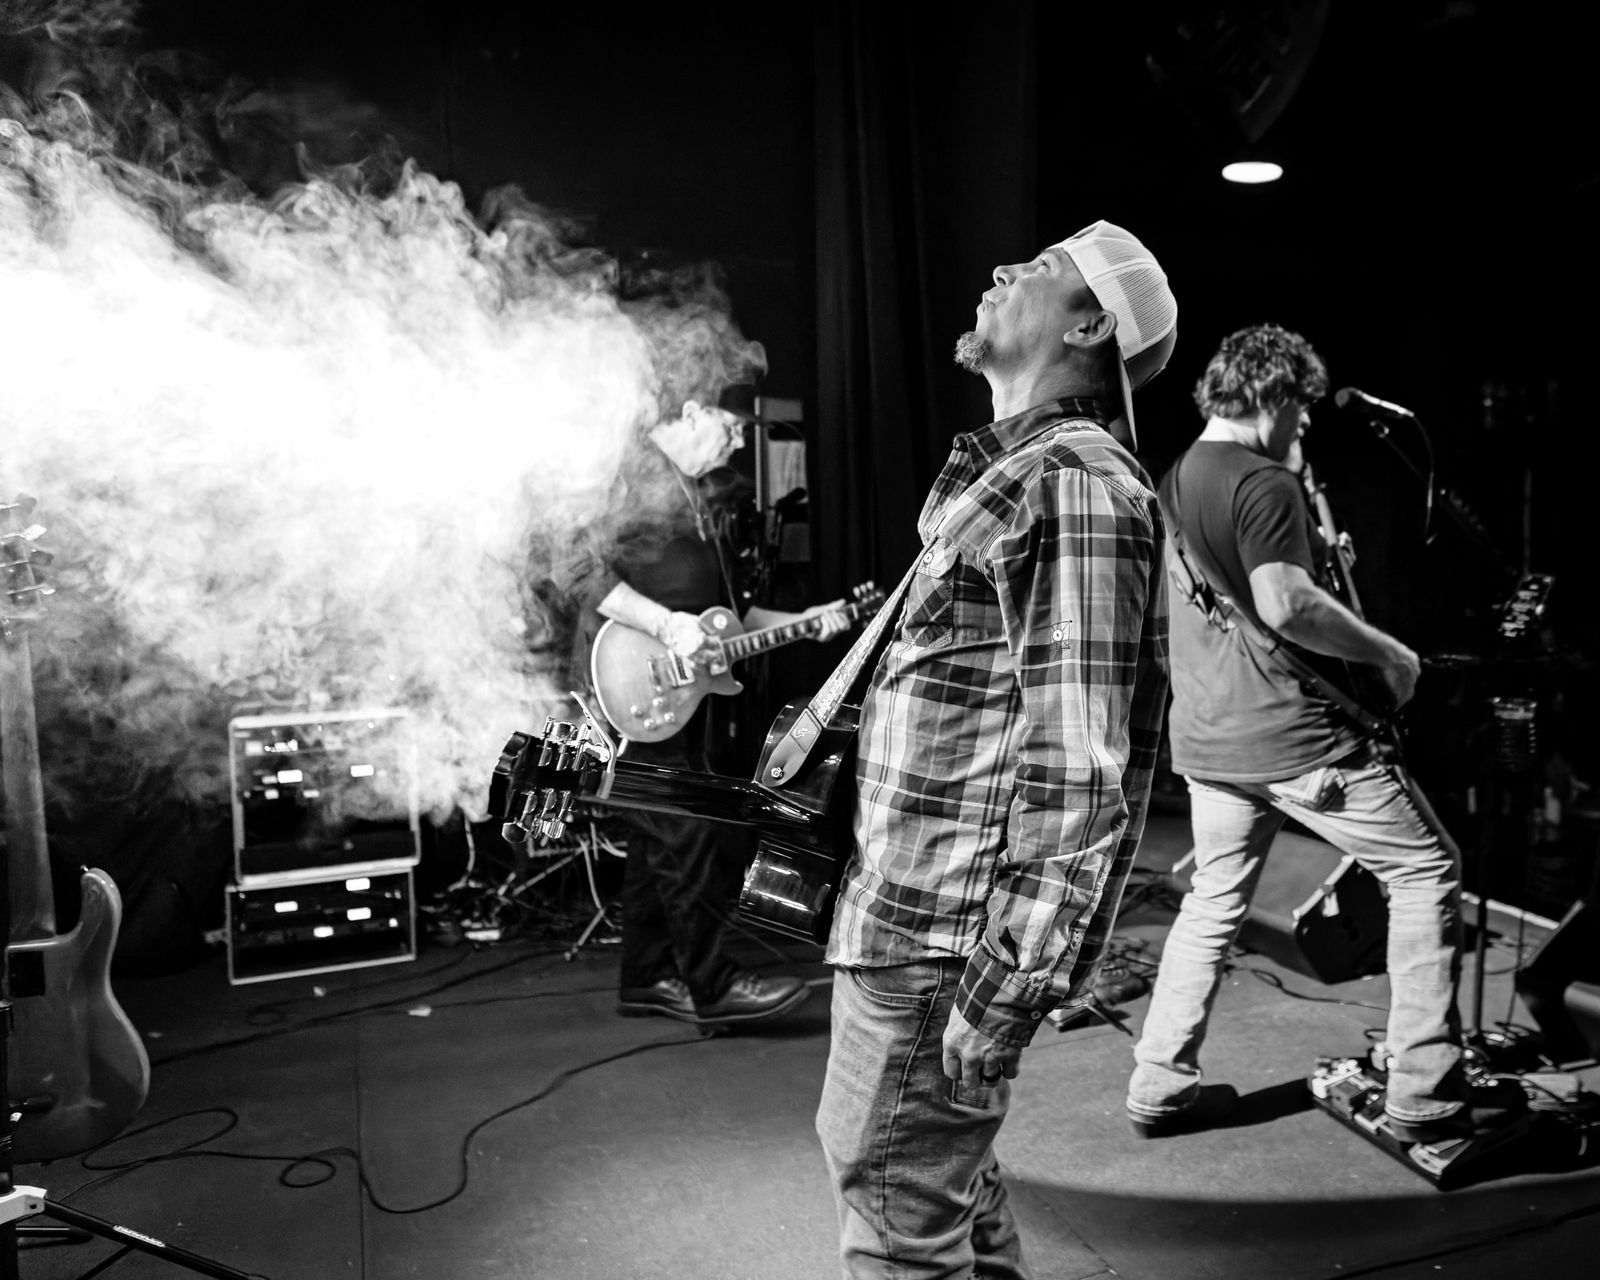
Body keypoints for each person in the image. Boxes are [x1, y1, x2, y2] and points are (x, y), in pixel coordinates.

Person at [814, 221, 1175, 1279]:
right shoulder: (1024, 472)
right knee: (943, 1198)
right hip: (912, 916)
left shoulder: (1073, 480)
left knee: (897, 1225)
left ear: (1090, 328)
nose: (1003, 270)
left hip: (941, 939)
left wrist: (1007, 985)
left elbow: (1078, 767)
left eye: (1043, 267)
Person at [1125, 323, 1528, 1144]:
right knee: (1425, 869)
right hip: (1292, 739)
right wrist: (1392, 654)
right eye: (1300, 409)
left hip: (1210, 739)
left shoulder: (1179, 474)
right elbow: (1286, 604)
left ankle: (1159, 1083)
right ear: (1271, 395)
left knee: (1211, 904)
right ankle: (1424, 1090)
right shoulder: (1262, 482)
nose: (1305, 423)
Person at [582, 401, 852, 1025]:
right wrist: (666, 625)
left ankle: (646, 977)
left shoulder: (697, 497)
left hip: (676, 696)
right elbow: (576, 569)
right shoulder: (626, 474)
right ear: (691, 411)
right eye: (729, 426)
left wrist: (806, 622)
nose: (737, 443)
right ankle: (713, 987)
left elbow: (730, 619)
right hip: (627, 679)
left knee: (659, 833)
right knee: (694, 831)